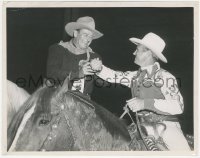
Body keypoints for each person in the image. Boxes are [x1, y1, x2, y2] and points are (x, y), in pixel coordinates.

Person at [95, 32, 190, 150]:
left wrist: (144, 103)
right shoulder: (135, 75)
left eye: (137, 50)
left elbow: (178, 106)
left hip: (166, 128)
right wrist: (99, 68)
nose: (134, 52)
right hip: (141, 126)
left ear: (149, 53)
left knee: (183, 152)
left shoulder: (165, 77)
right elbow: (114, 75)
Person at [46, 16, 103, 98]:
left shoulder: (95, 57)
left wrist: (100, 71)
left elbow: (101, 83)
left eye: (91, 36)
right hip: (56, 99)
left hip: (83, 103)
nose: (88, 39)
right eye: (85, 35)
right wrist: (78, 74)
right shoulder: (58, 49)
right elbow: (51, 74)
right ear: (76, 33)